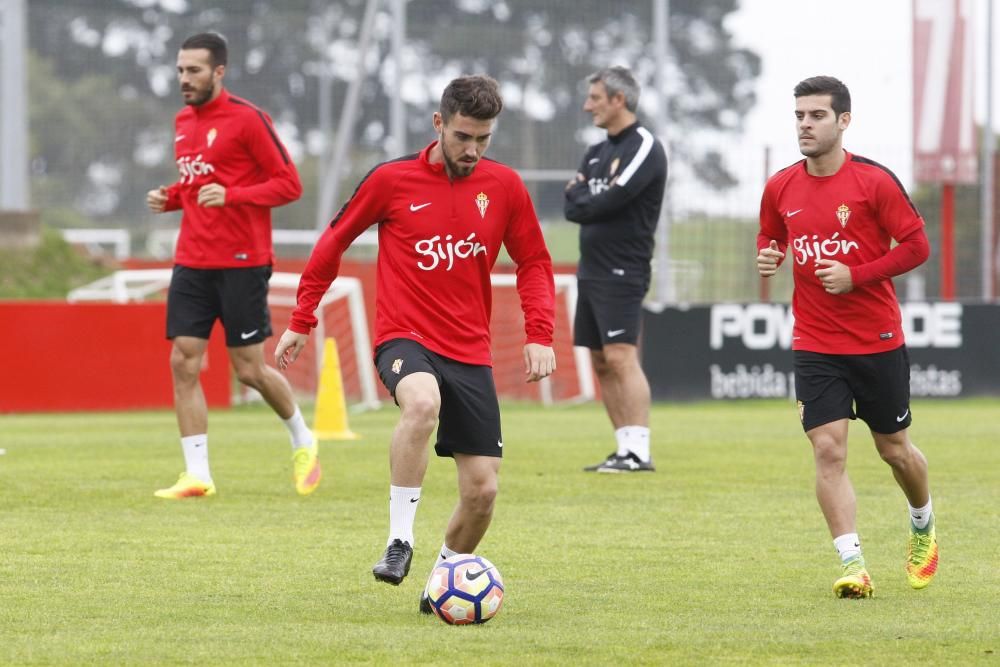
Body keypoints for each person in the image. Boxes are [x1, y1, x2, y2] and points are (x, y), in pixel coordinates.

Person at [274, 75, 556, 613]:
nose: (472, 150)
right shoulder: (391, 180)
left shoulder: (504, 187)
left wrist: (539, 333)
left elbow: (535, 262)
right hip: (405, 338)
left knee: (482, 494)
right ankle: (399, 539)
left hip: (470, 351)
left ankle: (443, 581)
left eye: (483, 139)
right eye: (462, 137)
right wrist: (302, 318)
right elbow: (333, 241)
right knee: (422, 403)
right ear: (438, 124)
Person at [757, 75, 937, 598]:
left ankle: (922, 524)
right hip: (814, 341)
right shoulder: (781, 185)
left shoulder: (874, 182)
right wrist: (770, 254)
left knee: (895, 449)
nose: (805, 125)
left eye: (816, 115)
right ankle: (852, 564)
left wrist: (857, 274)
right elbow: (771, 234)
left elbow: (917, 245)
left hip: (876, 338)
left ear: (843, 120)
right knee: (828, 450)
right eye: (799, 116)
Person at [146, 32, 320, 499]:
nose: (184, 79)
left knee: (249, 370)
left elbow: (289, 184)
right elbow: (197, 185)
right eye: (181, 70)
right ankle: (197, 474)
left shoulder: (248, 120)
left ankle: (304, 439)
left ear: (219, 72)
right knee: (183, 359)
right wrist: (172, 198)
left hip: (242, 262)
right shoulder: (182, 121)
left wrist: (234, 195)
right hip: (192, 260)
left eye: (194, 70)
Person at [564, 66, 667, 473]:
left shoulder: (644, 144)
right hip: (591, 268)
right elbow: (572, 204)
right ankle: (624, 448)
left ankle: (640, 450)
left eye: (595, 98)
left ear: (618, 100)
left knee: (622, 356)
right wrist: (589, 201)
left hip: (625, 267)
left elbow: (613, 198)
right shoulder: (595, 152)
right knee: (601, 360)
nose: (588, 105)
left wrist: (588, 200)